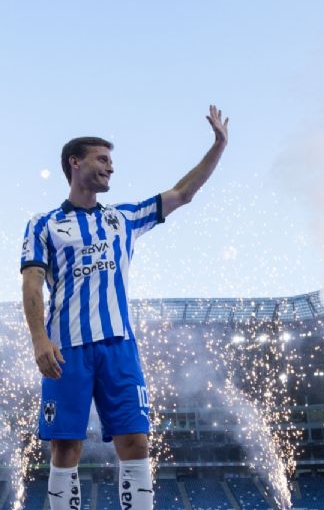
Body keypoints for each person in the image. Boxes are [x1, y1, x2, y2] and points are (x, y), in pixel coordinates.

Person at [20, 105, 229, 510]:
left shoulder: (123, 218)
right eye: (102, 159)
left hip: (119, 346)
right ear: (74, 163)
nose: (110, 168)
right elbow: (31, 283)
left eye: (111, 162)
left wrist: (218, 146)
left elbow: (183, 193)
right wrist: (39, 339)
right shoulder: (44, 224)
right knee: (66, 446)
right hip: (67, 348)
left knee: (135, 440)